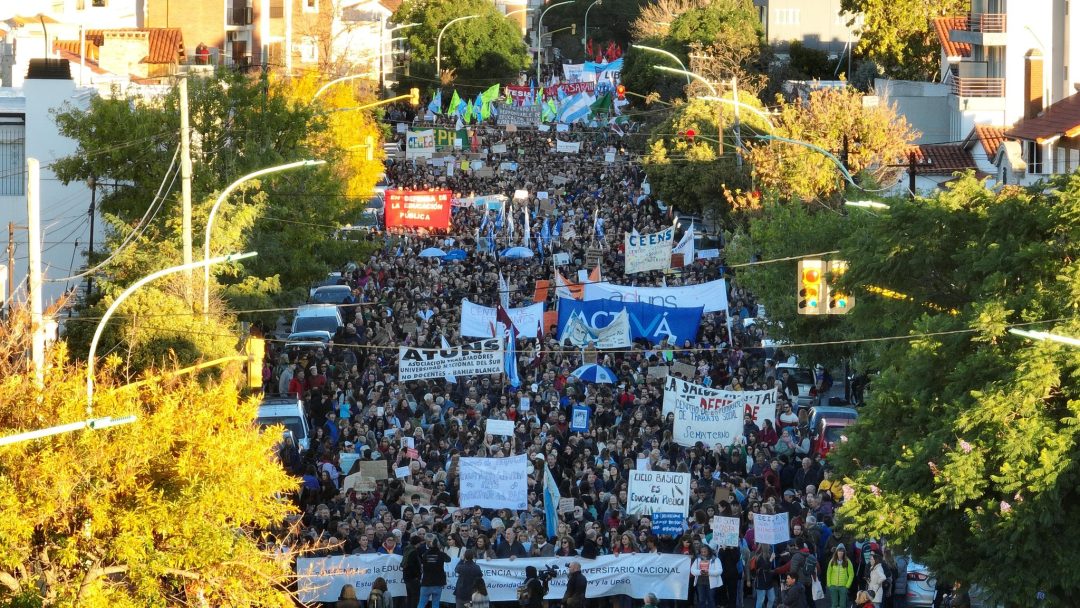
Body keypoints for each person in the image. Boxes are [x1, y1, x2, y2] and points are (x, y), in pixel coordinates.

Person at [419, 534, 450, 608]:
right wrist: (441, 551)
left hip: (426, 582)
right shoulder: (441, 554)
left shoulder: (425, 554)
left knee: (421, 603)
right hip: (438, 583)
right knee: (435, 604)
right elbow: (449, 559)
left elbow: (422, 563)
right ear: (438, 545)